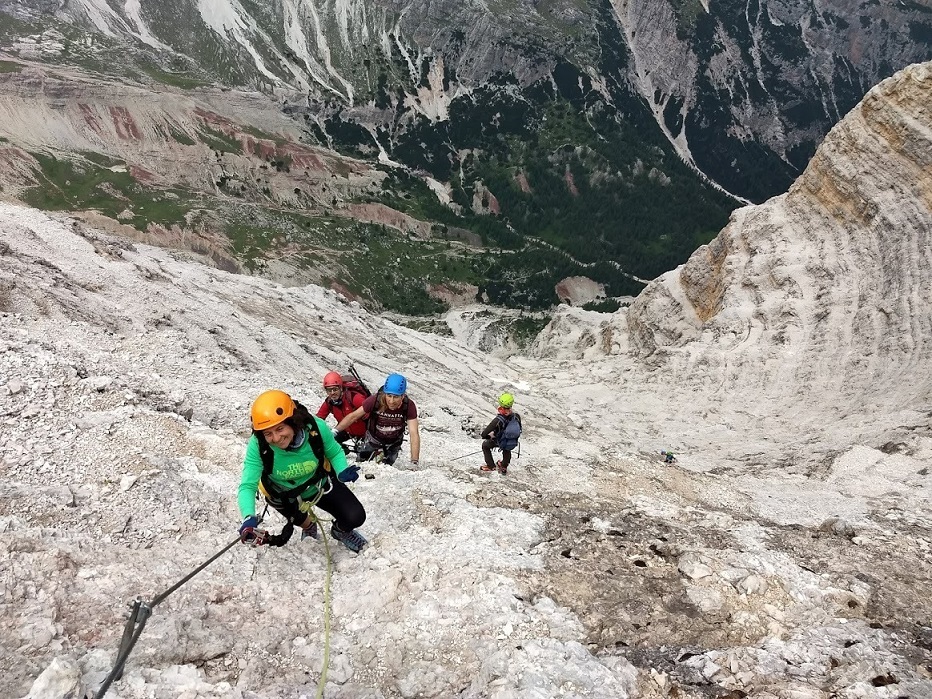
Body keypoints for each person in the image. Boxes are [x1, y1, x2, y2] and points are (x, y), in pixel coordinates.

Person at [238, 389, 368, 552]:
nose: (276, 439)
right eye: (268, 433)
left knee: (355, 517)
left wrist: (341, 470)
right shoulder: (258, 445)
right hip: (283, 495)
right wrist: (249, 516)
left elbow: (334, 451)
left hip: (318, 485)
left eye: (280, 429)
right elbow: (248, 485)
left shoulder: (315, 429)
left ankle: (340, 531)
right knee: (302, 519)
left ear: (293, 421)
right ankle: (309, 525)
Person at [334, 373, 420, 467]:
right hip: (373, 440)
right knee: (363, 463)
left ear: (402, 396)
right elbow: (353, 416)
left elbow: (414, 433)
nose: (391, 401)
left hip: (393, 443)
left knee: (387, 466)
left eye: (396, 397)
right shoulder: (375, 400)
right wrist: (335, 431)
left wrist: (414, 461)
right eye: (389, 396)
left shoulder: (408, 406)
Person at [316, 371, 367, 454]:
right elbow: (319, 419)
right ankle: (343, 449)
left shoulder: (353, 397)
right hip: (346, 431)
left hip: (365, 433)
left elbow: (370, 409)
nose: (332, 393)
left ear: (341, 388)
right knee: (327, 444)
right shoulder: (329, 402)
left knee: (364, 455)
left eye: (335, 389)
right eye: (329, 390)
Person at [480, 393, 522, 475]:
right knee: (507, 447)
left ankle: (491, 466)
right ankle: (504, 466)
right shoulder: (516, 416)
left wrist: (489, 436)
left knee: (485, 445)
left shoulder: (498, 420)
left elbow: (484, 434)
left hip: (499, 441)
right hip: (512, 441)